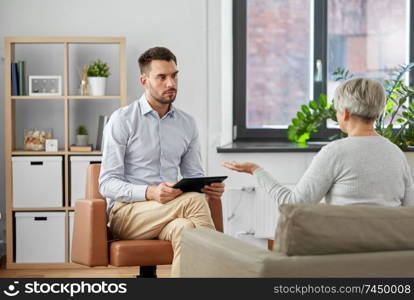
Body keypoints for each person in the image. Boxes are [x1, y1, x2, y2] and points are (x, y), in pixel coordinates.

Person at [99, 46, 225, 277]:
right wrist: (150, 192)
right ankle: (222, 273)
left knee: (186, 230)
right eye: (162, 77)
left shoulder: (186, 123)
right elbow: (107, 184)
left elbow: (193, 176)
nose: (171, 83)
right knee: (195, 202)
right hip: (127, 213)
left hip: (171, 211)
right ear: (144, 80)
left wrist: (209, 186)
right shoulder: (122, 120)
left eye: (174, 76)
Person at [224, 77, 414, 207]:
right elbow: (409, 210)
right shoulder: (396, 153)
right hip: (390, 254)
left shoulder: (336, 152)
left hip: (343, 252)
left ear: (345, 113)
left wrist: (256, 170)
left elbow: (293, 204)